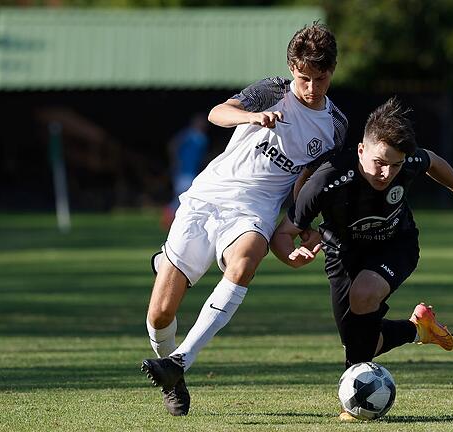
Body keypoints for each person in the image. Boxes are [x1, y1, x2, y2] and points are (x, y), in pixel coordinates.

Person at [140, 22, 348, 416]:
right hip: (206, 199)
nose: (311, 88)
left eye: (320, 79)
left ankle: (181, 360)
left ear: (332, 72)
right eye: (304, 78)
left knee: (248, 257)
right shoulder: (271, 91)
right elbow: (218, 113)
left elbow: (309, 182)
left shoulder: (335, 126)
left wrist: (296, 228)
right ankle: (173, 373)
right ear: (291, 69)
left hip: (254, 211)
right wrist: (252, 117)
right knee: (160, 315)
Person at [270, 98, 453, 420]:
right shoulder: (327, 180)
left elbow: (432, 160)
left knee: (364, 295)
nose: (387, 173)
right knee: (358, 343)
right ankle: (418, 329)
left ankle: (353, 406)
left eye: (395, 165)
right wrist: (292, 256)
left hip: (397, 245)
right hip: (341, 253)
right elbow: (283, 234)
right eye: (381, 162)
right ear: (361, 150)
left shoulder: (406, 163)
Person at [160, 114, 210, 230]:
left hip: (193, 171)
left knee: (186, 196)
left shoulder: (203, 139)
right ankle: (168, 217)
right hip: (183, 171)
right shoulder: (188, 134)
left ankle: (174, 219)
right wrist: (175, 161)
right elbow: (172, 145)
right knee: (182, 196)